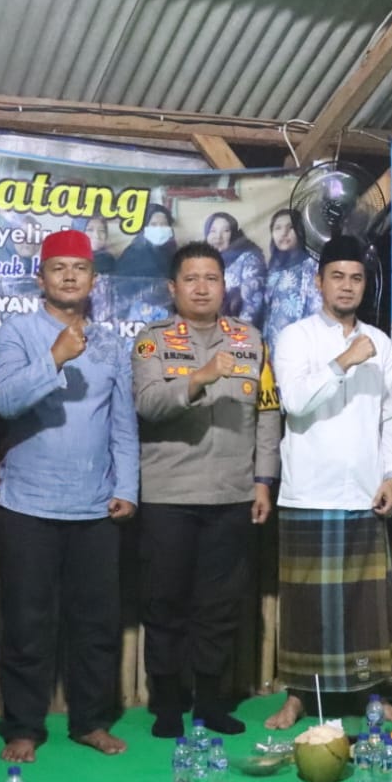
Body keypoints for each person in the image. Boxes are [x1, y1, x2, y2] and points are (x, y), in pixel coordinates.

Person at [0, 229, 139, 758]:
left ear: (94, 279)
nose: (70, 276)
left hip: (95, 507)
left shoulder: (111, 342)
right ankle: (23, 727)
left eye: (79, 268)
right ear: (41, 278)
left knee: (96, 625)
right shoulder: (18, 332)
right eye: (59, 268)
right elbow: (4, 401)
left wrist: (127, 487)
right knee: (27, 624)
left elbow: (122, 423)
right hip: (26, 505)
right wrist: (53, 357)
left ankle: (91, 722)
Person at [132, 241, 279, 738]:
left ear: (224, 286)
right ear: (173, 288)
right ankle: (167, 704)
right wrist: (200, 378)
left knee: (219, 608)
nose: (201, 288)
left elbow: (267, 415)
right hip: (168, 495)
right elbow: (148, 403)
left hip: (232, 495)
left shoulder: (250, 340)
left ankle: (211, 703)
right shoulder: (152, 340)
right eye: (191, 279)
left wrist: (263, 480)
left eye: (211, 278)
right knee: (165, 604)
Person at [264, 235, 392, 730]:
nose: (347, 286)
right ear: (318, 282)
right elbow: (295, 402)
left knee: (366, 606)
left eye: (356, 278)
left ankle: (371, 696)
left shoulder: (380, 342)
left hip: (366, 493)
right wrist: (345, 360)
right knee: (307, 604)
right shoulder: (295, 337)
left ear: (365, 285)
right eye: (337, 277)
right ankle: (298, 696)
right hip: (309, 492)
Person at [261, 209, 320, 353]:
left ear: (301, 231)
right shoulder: (273, 268)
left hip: (300, 347)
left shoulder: (311, 266)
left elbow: (317, 308)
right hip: (272, 345)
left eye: (291, 227)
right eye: (277, 228)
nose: (284, 233)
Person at [115, 203, 177, 324]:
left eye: (164, 224)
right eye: (153, 224)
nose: (159, 229)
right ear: (144, 227)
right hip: (138, 317)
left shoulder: (174, 254)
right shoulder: (132, 254)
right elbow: (122, 289)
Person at [204, 211, 267, 327]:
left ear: (234, 234)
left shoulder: (249, 258)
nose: (218, 236)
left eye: (226, 231)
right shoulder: (203, 259)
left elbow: (252, 306)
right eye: (213, 231)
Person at [84, 215, 118, 323]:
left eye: (101, 231)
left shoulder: (109, 260)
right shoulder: (70, 260)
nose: (96, 235)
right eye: (90, 230)